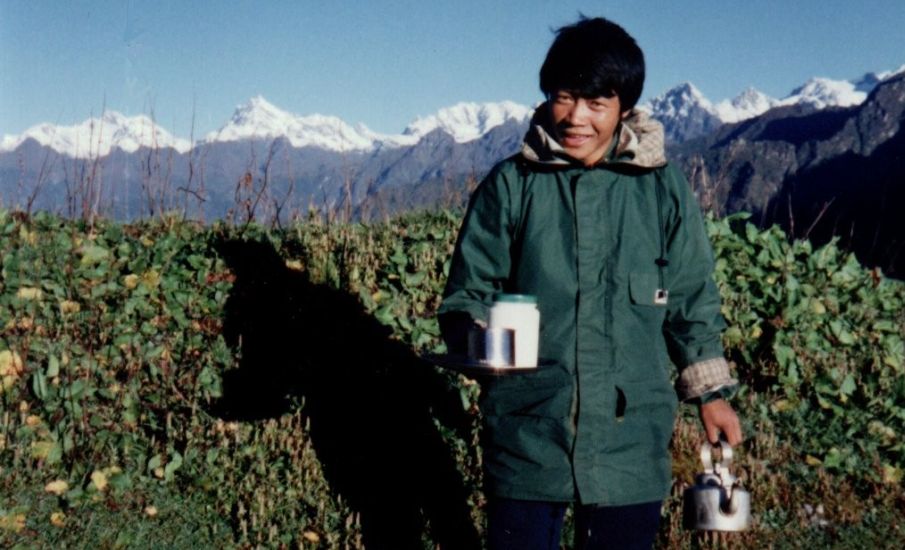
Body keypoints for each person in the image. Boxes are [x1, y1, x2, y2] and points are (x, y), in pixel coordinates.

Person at [437, 16, 743, 550]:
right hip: (528, 431)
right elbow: (468, 293)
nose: (575, 118)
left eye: (596, 103)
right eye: (564, 97)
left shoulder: (661, 188)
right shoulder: (512, 185)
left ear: (624, 107)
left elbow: (691, 298)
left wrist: (711, 396)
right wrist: (478, 339)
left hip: (631, 435)